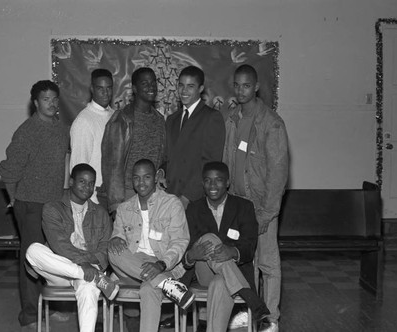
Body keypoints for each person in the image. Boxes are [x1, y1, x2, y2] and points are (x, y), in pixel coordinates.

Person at [0, 80, 70, 330]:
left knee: (56, 257)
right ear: (36, 102)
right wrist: (15, 199)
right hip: (30, 204)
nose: (51, 103)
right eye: (45, 99)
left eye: (54, 98)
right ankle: (29, 314)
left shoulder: (61, 129)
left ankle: (54, 305)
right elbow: (8, 170)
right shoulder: (27, 131)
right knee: (31, 259)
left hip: (53, 203)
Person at [223, 64, 289, 332]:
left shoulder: (271, 124)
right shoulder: (232, 118)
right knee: (244, 262)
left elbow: (279, 174)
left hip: (261, 206)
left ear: (257, 87)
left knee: (268, 263)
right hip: (237, 204)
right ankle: (249, 314)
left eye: (246, 85)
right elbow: (228, 159)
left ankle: (270, 319)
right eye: (237, 85)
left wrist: (266, 213)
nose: (241, 90)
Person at [26, 163, 118, 332]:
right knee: (33, 250)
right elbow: (58, 244)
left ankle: (91, 276)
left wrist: (88, 265)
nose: (87, 187)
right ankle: (95, 276)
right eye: (82, 181)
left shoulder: (101, 213)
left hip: (90, 268)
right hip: (59, 270)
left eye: (91, 183)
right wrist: (82, 265)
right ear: (71, 182)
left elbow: (105, 248)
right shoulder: (52, 208)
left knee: (89, 288)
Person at [181, 161, 270, 332]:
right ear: (202, 183)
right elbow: (183, 248)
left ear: (228, 182)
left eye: (218, 180)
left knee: (220, 282)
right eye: (207, 180)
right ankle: (250, 296)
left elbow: (249, 246)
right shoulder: (193, 209)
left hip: (233, 271)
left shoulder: (244, 207)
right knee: (208, 238)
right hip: (203, 270)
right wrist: (192, 255)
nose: (212, 185)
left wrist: (232, 252)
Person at [108, 159, 195, 332]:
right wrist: (115, 238)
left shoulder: (172, 204)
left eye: (146, 177)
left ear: (156, 177)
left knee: (149, 289)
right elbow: (118, 237)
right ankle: (167, 285)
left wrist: (161, 264)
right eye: (136, 178)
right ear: (132, 180)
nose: (141, 183)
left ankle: (161, 281)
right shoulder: (124, 208)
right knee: (113, 250)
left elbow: (180, 242)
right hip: (130, 268)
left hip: (163, 265)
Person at [101, 67, 166, 214]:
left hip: (153, 193)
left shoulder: (159, 120)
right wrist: (116, 203)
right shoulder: (121, 119)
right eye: (145, 83)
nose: (151, 87)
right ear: (135, 89)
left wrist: (161, 172)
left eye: (153, 83)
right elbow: (111, 165)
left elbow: (162, 157)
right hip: (127, 193)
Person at [160, 65, 225, 209]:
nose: (184, 91)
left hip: (195, 198)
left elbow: (211, 163)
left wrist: (188, 196)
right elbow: (167, 158)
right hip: (169, 196)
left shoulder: (211, 117)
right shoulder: (172, 119)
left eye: (190, 86)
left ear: (201, 89)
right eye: (181, 85)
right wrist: (161, 172)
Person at [70, 69, 115, 207]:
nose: (105, 93)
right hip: (95, 195)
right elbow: (78, 165)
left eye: (108, 88)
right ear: (91, 89)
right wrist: (91, 201)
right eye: (100, 88)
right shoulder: (84, 120)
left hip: (114, 192)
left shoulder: (115, 115)